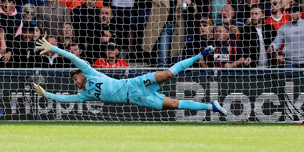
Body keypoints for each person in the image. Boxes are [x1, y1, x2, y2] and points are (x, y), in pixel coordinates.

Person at [32, 38, 226, 114]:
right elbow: (65, 97)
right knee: (175, 104)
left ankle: (200, 55)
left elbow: (73, 57)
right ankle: (212, 106)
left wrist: (54, 48)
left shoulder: (90, 73)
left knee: (168, 73)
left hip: (133, 83)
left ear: (81, 74)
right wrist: (46, 95)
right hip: (136, 98)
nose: (75, 83)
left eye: (75, 79)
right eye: (73, 82)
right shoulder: (86, 95)